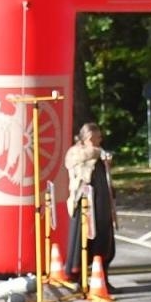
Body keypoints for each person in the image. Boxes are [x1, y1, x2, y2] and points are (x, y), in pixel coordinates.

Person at [62, 122, 118, 286]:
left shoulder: (101, 155)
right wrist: (99, 153)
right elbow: (74, 160)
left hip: (102, 204)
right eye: (96, 137)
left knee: (103, 240)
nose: (100, 139)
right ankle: (79, 277)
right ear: (88, 138)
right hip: (84, 203)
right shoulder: (77, 153)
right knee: (82, 240)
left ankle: (101, 278)